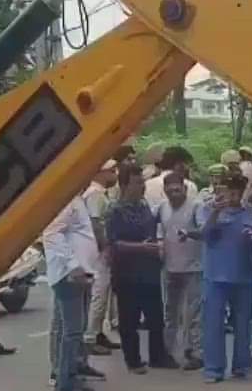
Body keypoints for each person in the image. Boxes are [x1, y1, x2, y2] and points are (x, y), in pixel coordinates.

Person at [107, 164, 176, 374]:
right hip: (127, 272)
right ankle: (133, 360)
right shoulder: (115, 211)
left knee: (155, 317)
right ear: (124, 186)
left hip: (149, 270)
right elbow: (114, 244)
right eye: (137, 183)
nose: (142, 187)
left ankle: (158, 356)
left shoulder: (145, 206)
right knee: (130, 319)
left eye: (142, 182)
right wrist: (141, 247)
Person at [198, 174, 252, 382]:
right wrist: (215, 213)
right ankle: (213, 368)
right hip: (216, 276)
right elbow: (203, 234)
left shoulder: (249, 211)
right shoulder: (209, 209)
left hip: (243, 276)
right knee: (213, 324)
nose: (233, 196)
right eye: (229, 191)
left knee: (243, 323)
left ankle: (243, 365)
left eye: (237, 192)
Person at [43, 192, 102, 391]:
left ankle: (69, 378)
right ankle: (65, 387)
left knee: (72, 331)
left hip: (79, 275)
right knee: (72, 332)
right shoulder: (66, 201)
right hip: (69, 276)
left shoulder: (77, 200)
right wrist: (73, 265)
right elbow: (51, 233)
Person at [159, 171, 205, 371]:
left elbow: (204, 231)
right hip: (170, 267)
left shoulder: (196, 206)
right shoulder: (162, 208)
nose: (174, 195)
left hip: (193, 267)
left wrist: (190, 234)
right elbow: (159, 230)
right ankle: (167, 350)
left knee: (193, 313)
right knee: (170, 312)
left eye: (177, 190)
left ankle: (195, 351)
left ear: (185, 189)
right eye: (169, 191)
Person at [83, 160, 120, 355]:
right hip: (99, 252)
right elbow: (96, 223)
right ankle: (90, 337)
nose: (115, 175)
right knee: (99, 294)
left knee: (103, 294)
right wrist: (105, 247)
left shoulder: (99, 193)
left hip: (100, 249)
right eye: (112, 171)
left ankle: (97, 333)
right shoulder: (95, 194)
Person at [144, 146, 198, 211]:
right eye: (186, 164)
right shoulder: (189, 186)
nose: (187, 168)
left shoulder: (147, 184)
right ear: (180, 164)